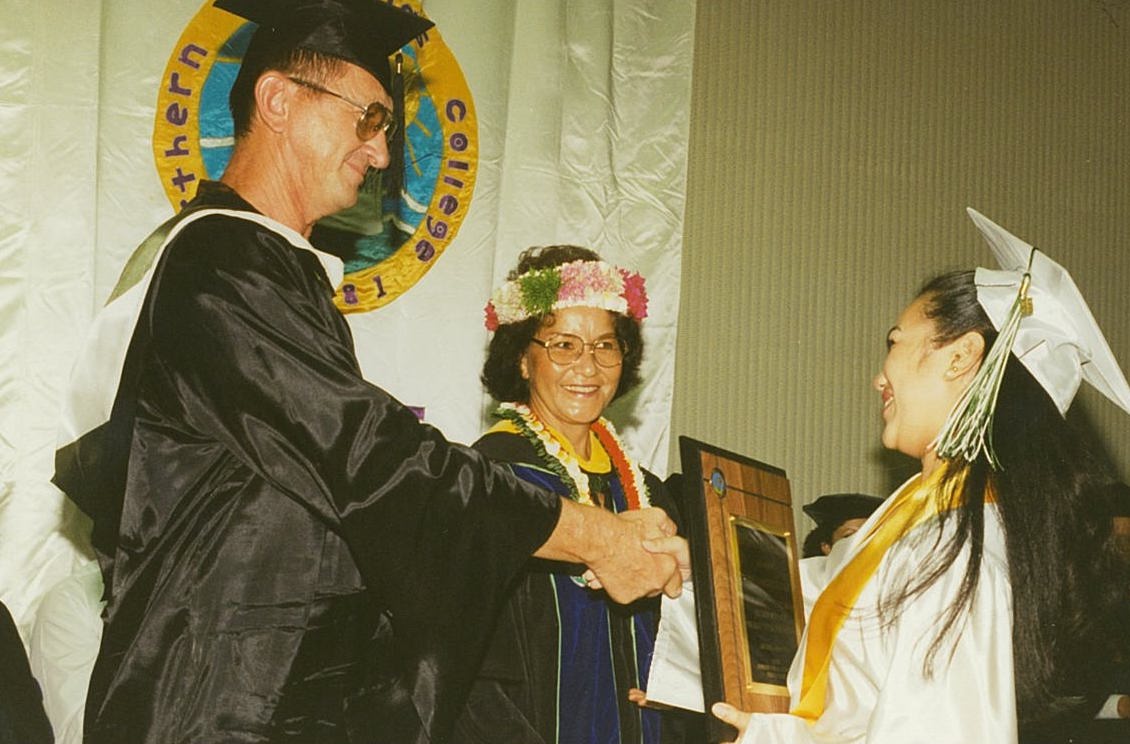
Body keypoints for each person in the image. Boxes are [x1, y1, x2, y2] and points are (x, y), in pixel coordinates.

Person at [50, 3, 684, 743]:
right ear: (279, 100)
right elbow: (371, 460)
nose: (382, 155)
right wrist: (597, 539)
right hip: (214, 705)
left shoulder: (251, 268)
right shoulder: (222, 263)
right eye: (368, 121)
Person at [711, 208, 1130, 743]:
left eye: (895, 341)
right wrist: (708, 560)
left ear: (960, 358)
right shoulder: (931, 510)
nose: (879, 376)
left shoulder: (958, 545)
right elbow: (827, 596)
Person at [453, 245, 699, 744]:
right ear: (523, 359)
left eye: (606, 346)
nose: (588, 367)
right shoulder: (492, 479)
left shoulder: (647, 492)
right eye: (564, 345)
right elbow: (462, 657)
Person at [799, 493, 884, 559]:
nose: (861, 541)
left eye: (869, 535)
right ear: (827, 547)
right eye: (849, 535)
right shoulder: (808, 579)